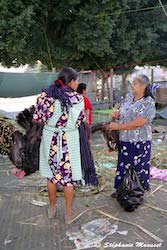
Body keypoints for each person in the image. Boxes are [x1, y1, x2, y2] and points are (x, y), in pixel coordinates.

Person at [33, 67, 85, 223]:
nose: (77, 84)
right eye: (76, 81)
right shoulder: (78, 99)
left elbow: (37, 118)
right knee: (68, 179)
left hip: (50, 140)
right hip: (69, 140)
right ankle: (68, 214)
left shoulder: (45, 97)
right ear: (71, 81)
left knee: (51, 176)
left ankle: (52, 208)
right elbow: (80, 121)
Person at [109, 74, 156, 197]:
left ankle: (137, 191)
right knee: (124, 164)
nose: (132, 85)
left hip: (140, 141)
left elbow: (139, 122)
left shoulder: (148, 102)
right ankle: (122, 189)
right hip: (125, 139)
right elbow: (125, 114)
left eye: (135, 83)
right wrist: (117, 115)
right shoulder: (129, 97)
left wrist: (118, 127)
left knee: (139, 166)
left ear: (143, 86)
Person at [77, 83, 98, 186]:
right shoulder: (83, 99)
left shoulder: (75, 98)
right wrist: (87, 124)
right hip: (84, 124)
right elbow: (87, 112)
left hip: (79, 125)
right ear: (83, 90)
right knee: (87, 142)